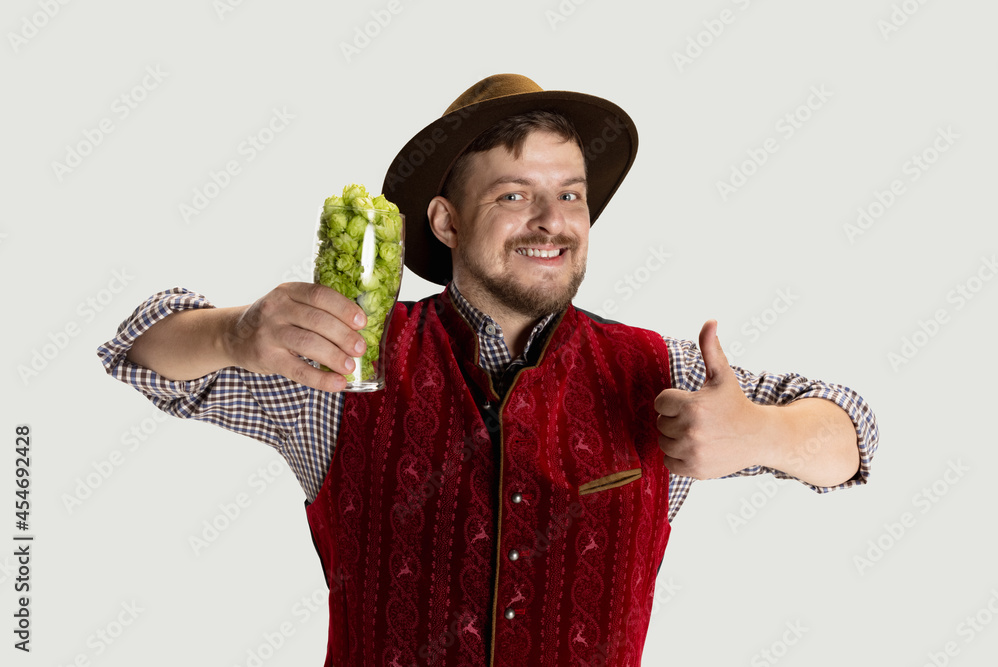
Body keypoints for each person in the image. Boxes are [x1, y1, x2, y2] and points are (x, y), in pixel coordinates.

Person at [97, 73, 878, 666]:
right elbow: (141, 352)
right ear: (445, 220)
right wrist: (234, 332)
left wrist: (762, 432)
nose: (552, 221)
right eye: (515, 194)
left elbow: (855, 432)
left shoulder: (658, 374)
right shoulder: (343, 368)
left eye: (569, 194)